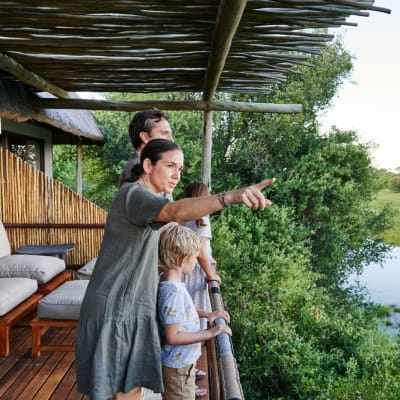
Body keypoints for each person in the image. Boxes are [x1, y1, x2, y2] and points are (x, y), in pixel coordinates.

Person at [75, 138, 275, 400]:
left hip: (132, 308)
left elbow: (175, 231)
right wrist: (229, 198)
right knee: (119, 392)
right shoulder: (134, 195)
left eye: (180, 169)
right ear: (148, 165)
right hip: (116, 309)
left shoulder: (147, 201)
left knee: (131, 385)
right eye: (170, 166)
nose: (176, 175)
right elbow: (177, 211)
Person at [158, 222, 231, 400]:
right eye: (195, 259)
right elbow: (173, 336)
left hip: (181, 365)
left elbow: (182, 312)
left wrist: (208, 314)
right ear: (183, 261)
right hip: (178, 369)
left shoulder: (168, 280)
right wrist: (210, 333)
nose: (196, 264)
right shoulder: (173, 291)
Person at [119, 108, 173, 187]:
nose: (172, 140)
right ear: (145, 137)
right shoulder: (138, 168)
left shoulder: (143, 165)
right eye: (164, 133)